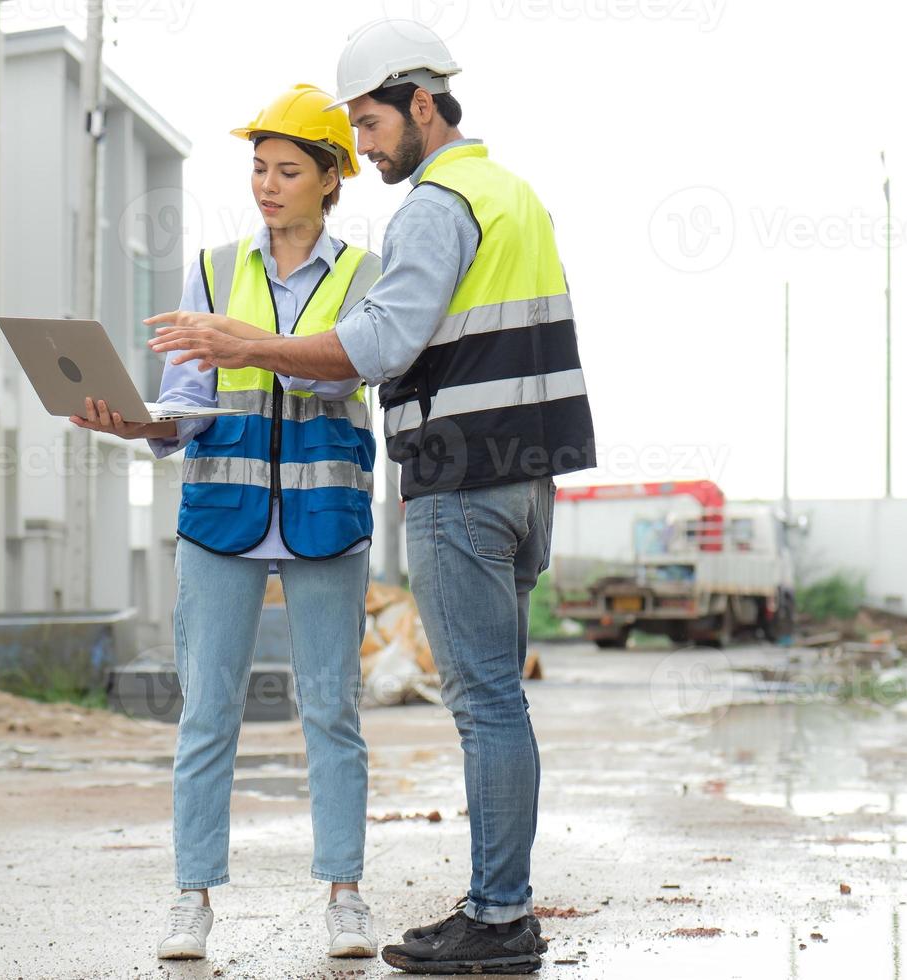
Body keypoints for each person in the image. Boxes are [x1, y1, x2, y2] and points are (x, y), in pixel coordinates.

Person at [148, 21, 597, 975]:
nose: (365, 140)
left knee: (468, 703)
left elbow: (381, 348)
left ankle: (496, 914)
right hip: (520, 477)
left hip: (446, 483)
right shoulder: (512, 194)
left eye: (370, 123)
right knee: (487, 699)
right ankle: (495, 908)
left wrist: (250, 347)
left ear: (421, 106)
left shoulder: (428, 210)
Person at [70, 84, 383, 962]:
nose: (267, 184)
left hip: (326, 515)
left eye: (288, 170)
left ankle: (345, 895)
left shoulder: (364, 275)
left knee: (332, 709)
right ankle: (190, 895)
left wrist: (251, 343)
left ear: (331, 178)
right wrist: (134, 422)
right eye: (257, 167)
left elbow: (348, 374)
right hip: (221, 515)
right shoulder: (211, 269)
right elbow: (188, 405)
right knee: (206, 711)